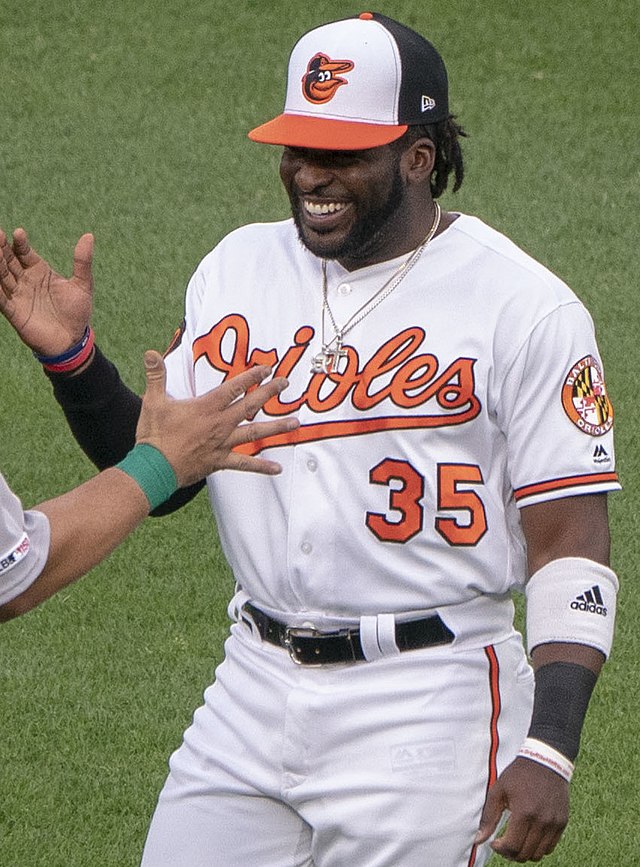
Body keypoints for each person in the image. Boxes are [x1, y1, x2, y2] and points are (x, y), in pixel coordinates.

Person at [0, 11, 621, 866]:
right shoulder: (239, 267)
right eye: (299, 148)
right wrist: (72, 359)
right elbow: (166, 470)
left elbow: (574, 542)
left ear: (418, 155)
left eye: (344, 154)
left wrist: (550, 745)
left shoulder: (524, 306)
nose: (311, 175)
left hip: (426, 699)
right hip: (252, 684)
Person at [0, 233, 298, 620]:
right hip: (264, 658)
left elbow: (168, 454)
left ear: (407, 167)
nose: (313, 176)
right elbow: (11, 574)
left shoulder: (238, 262)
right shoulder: (240, 266)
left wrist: (75, 363)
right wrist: (159, 464)